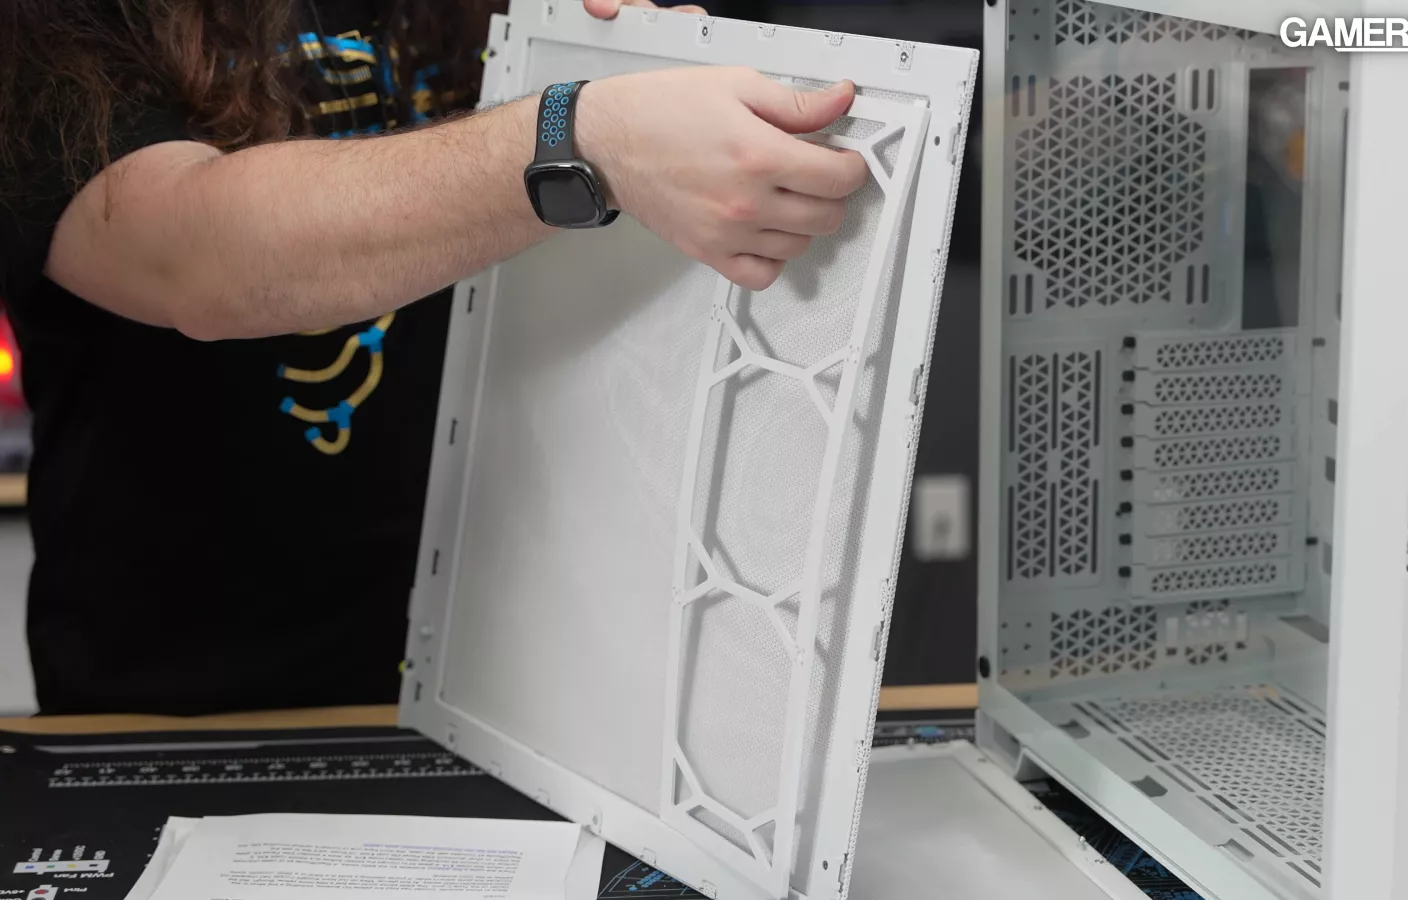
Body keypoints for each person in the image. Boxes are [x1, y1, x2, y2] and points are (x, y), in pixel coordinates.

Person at [0, 0, 870, 715]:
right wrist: (580, 132)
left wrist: (637, 65)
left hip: (521, 697)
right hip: (182, 715)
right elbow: (197, 257)